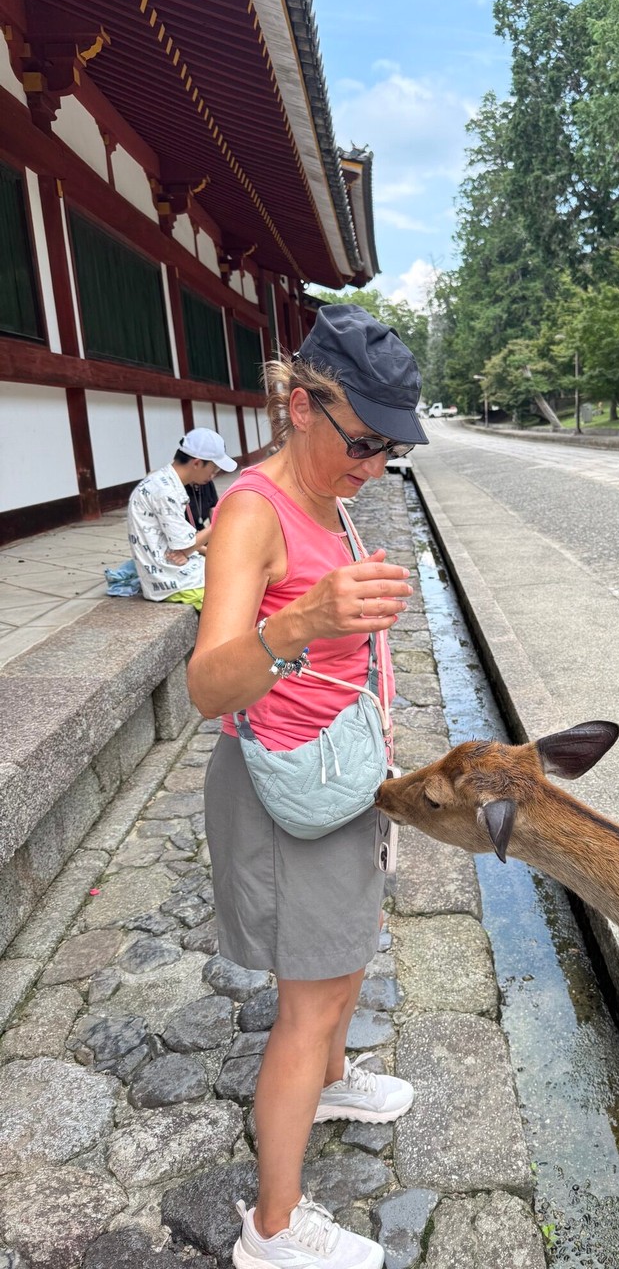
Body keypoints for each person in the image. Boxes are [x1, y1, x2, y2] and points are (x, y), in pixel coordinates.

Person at [187, 305, 428, 1269]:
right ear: (299, 405)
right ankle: (273, 1229)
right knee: (308, 1001)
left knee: (352, 946)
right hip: (288, 785)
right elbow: (209, 684)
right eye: (362, 441)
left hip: (344, 768)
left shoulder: (333, 498)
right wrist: (302, 625)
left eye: (389, 450)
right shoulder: (252, 509)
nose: (372, 465)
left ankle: (332, 1077)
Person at [127, 427, 237, 609]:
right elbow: (185, 545)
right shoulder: (165, 490)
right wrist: (221, 523)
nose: (213, 475)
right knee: (240, 585)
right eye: (214, 468)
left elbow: (185, 547)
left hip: (176, 569)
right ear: (196, 463)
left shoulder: (165, 481)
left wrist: (187, 549)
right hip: (173, 580)